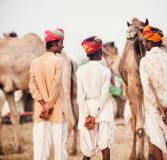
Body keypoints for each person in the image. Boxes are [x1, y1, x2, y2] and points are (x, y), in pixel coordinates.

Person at [139, 25, 167, 160]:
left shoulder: (145, 61)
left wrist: (159, 108)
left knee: (156, 144)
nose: (144, 44)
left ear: (151, 42)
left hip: (154, 109)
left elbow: (146, 88)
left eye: (146, 41)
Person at [29, 28, 67, 160]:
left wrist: (43, 105)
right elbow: (56, 86)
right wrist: (49, 107)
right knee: (59, 149)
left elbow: (32, 85)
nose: (63, 46)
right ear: (55, 43)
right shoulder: (59, 61)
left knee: (40, 148)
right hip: (55, 111)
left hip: (40, 112)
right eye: (62, 43)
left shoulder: (35, 62)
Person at [76, 36, 115, 160]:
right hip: (103, 112)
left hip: (86, 111)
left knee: (87, 152)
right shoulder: (105, 71)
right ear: (99, 53)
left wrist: (87, 115)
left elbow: (80, 97)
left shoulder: (80, 71)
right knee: (105, 147)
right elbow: (104, 96)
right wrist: (94, 115)